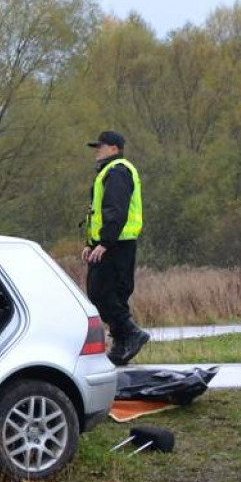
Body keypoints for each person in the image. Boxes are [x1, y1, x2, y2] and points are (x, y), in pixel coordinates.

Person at [81, 130, 149, 366]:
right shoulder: (110, 171)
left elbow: (115, 210)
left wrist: (104, 242)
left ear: (114, 148)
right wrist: (91, 244)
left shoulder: (117, 171)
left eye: (100, 146)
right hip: (114, 242)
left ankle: (131, 334)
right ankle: (121, 345)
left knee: (100, 292)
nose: (96, 150)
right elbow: (101, 213)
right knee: (111, 293)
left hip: (116, 243)